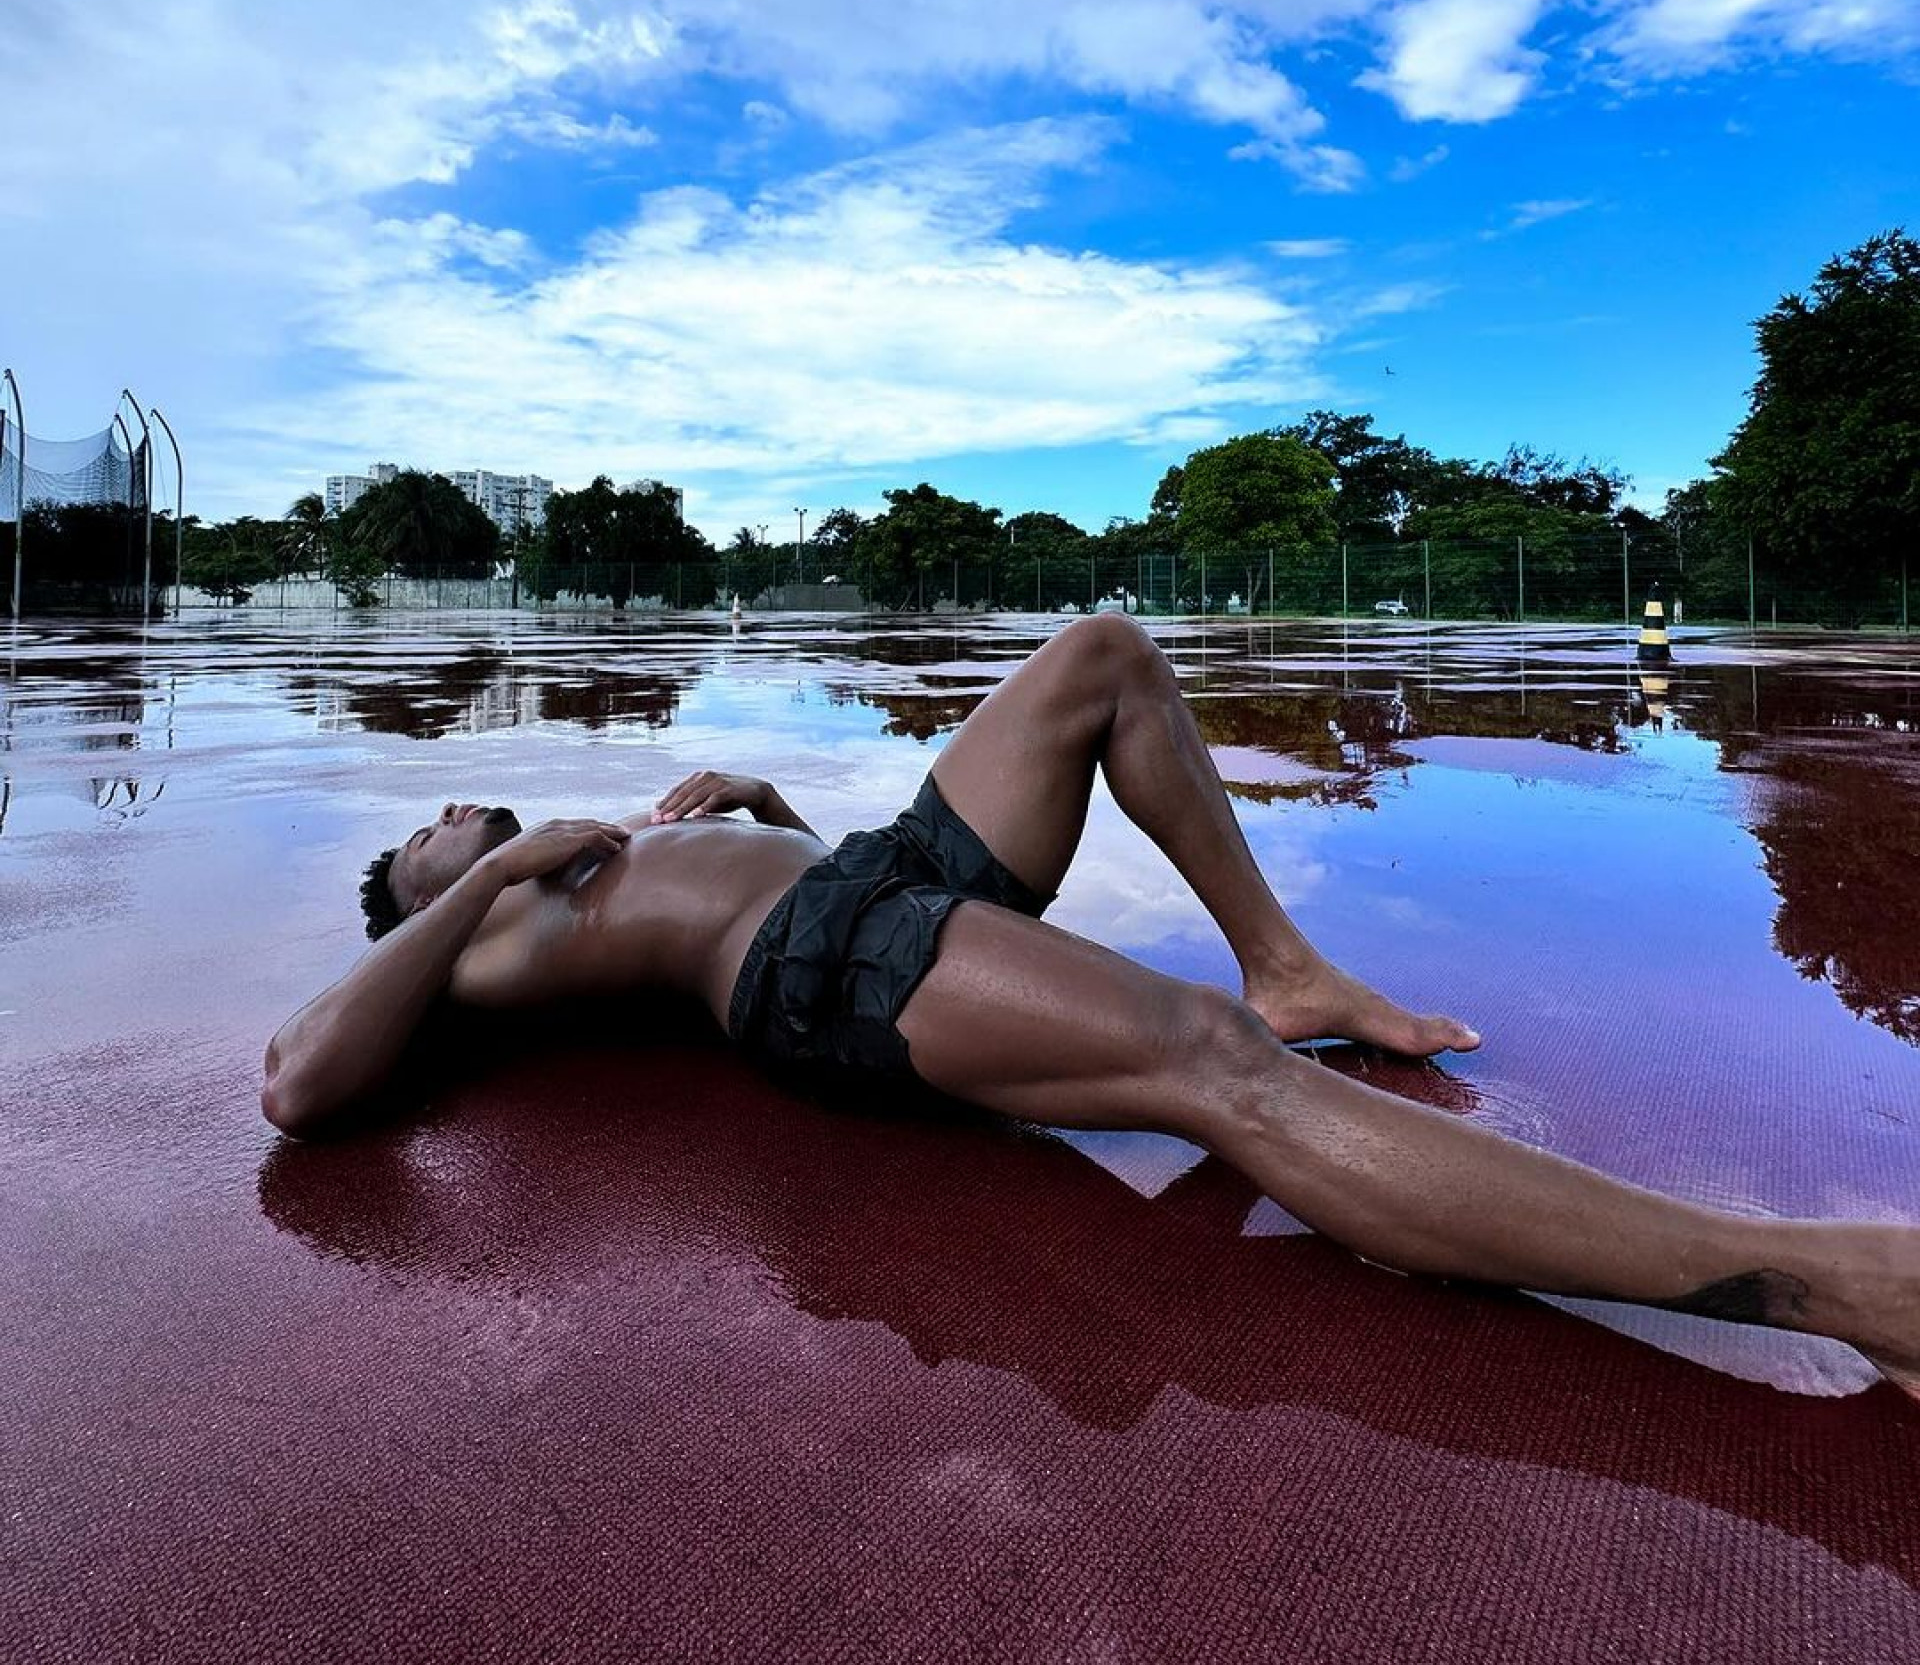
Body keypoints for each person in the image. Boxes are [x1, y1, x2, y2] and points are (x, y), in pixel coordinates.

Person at [262, 616, 1920, 1390]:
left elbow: (784, 878)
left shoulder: (572, 870)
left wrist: (773, 813)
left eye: (442, 823)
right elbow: (299, 1087)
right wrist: (476, 882)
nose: (440, 823)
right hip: (822, 977)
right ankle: (1828, 1289)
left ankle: (1285, 953)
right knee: (1210, 1063)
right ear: (411, 903)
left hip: (866, 879)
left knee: (1103, 655)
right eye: (414, 843)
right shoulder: (468, 951)